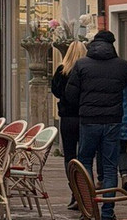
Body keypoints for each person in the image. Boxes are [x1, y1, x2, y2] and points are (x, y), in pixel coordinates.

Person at [65, 30, 127, 220]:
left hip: (89, 121)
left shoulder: (81, 65)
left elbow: (70, 95)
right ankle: (107, 213)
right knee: (110, 167)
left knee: (85, 162)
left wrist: (85, 103)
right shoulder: (123, 66)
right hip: (113, 121)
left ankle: (88, 208)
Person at [51, 40, 86, 193]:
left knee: (70, 154)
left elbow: (56, 91)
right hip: (85, 117)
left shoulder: (61, 70)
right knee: (85, 155)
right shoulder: (86, 70)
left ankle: (74, 188)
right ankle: (85, 187)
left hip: (67, 117)